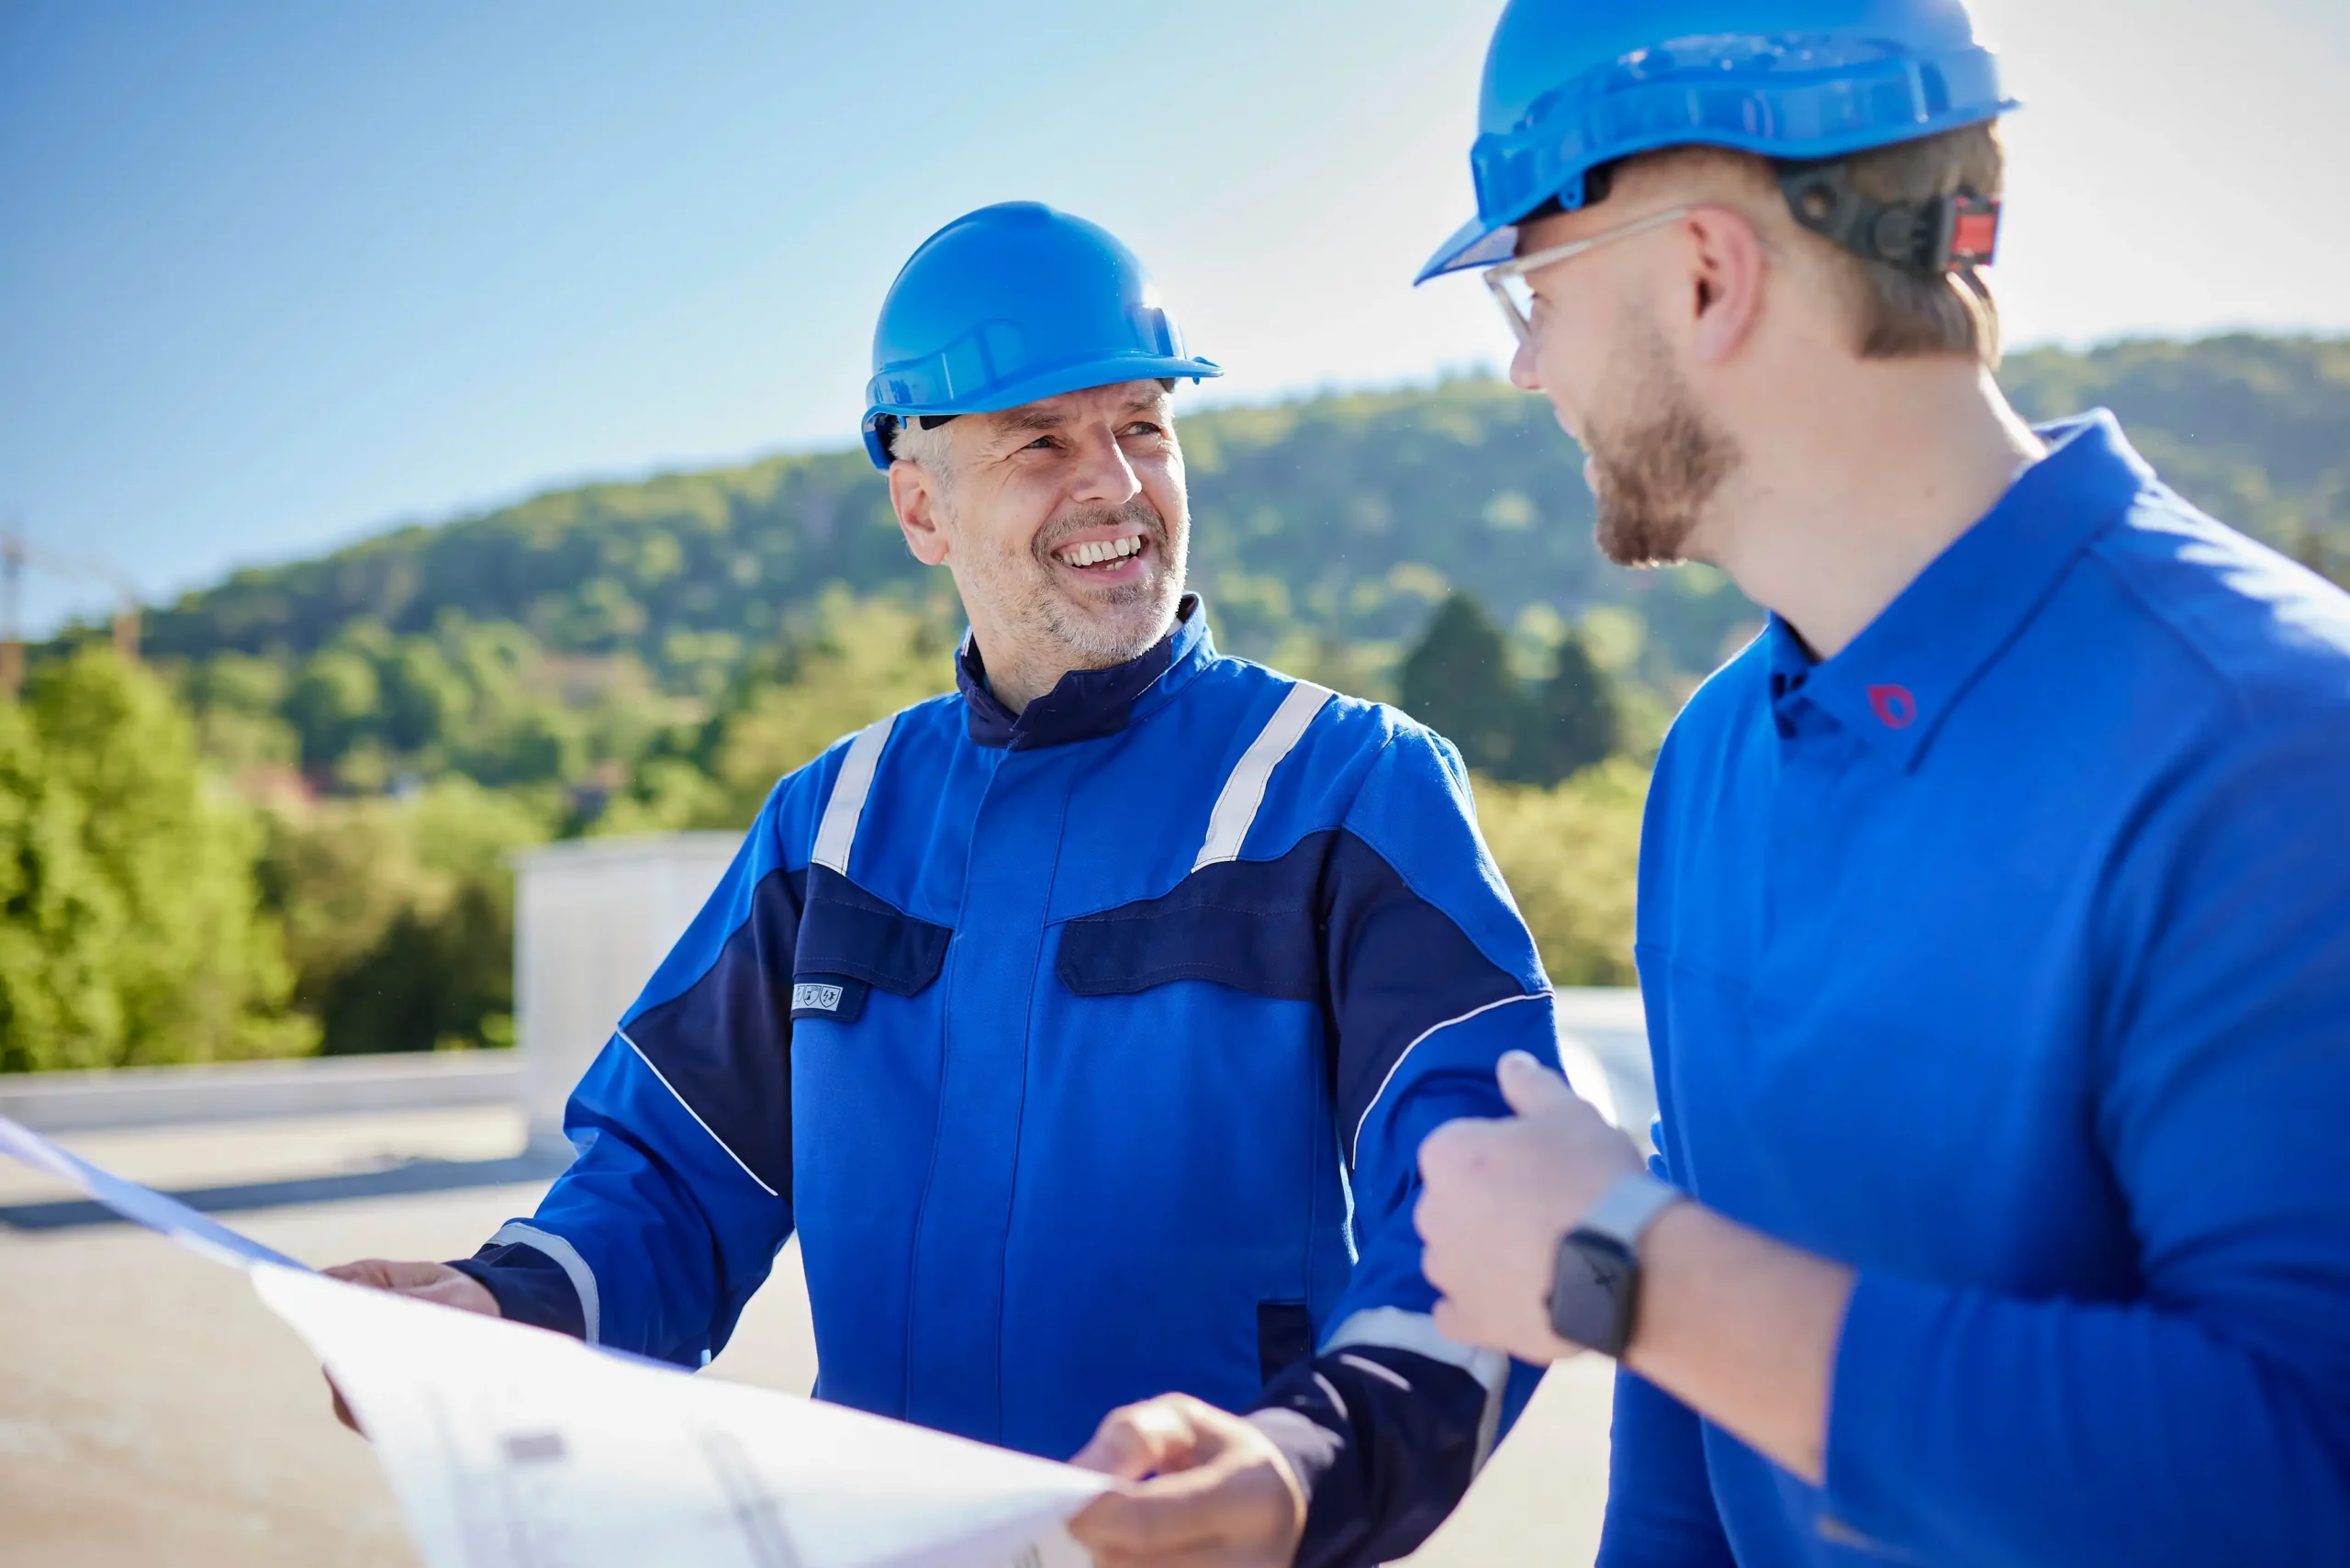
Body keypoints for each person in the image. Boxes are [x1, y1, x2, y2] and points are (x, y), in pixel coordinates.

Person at [325, 201, 1559, 1568]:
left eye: (1144, 425)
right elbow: (669, 1188)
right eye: (1040, 439)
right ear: (922, 506)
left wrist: (1305, 1460)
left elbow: (1489, 1203)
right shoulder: (830, 829)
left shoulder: (1345, 790)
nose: (1115, 482)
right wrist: (502, 1311)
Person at [1404, 2, 2350, 1563]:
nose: (1522, 365)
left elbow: (2304, 1469)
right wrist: (1652, 1280)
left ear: (1707, 273)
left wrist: (1629, 1261)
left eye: (1533, 287)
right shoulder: (1712, 767)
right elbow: (1688, 1433)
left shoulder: (2275, 744)